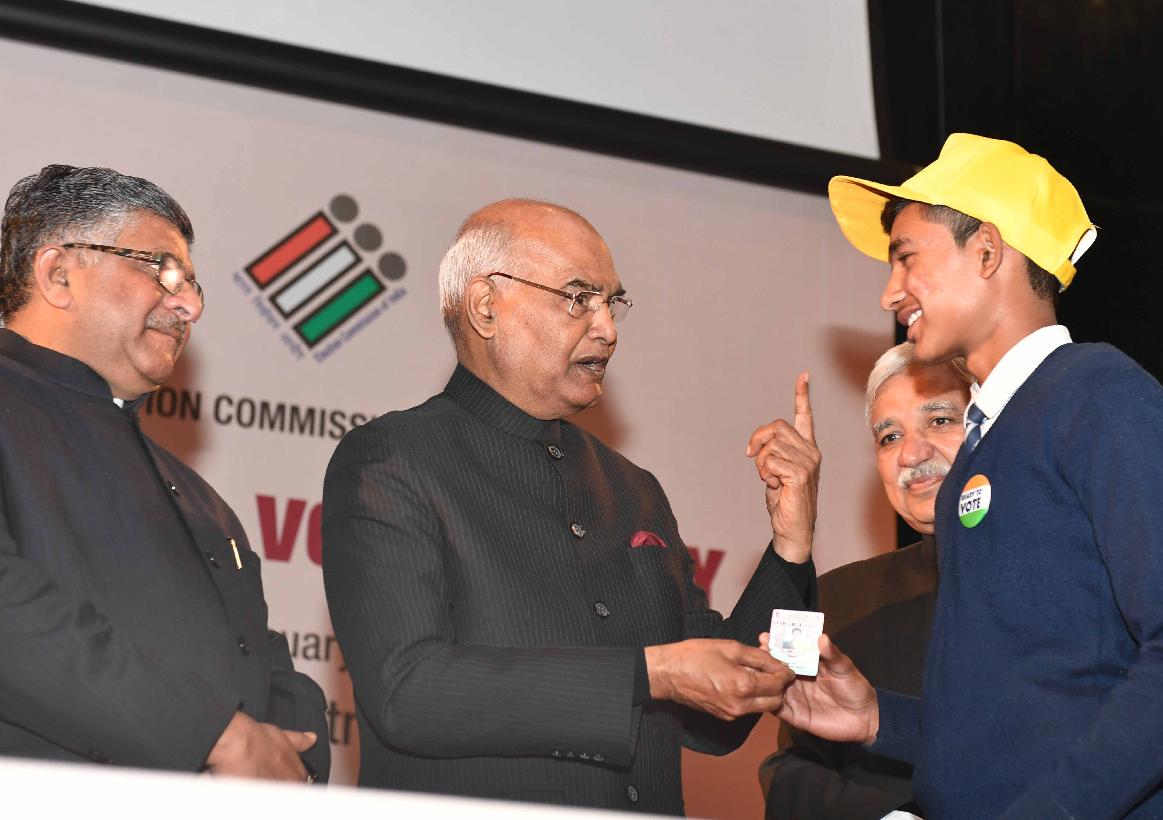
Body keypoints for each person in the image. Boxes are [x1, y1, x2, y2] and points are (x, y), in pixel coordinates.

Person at [772, 133, 1163, 818]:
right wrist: (879, 719)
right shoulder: (983, 449)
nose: (889, 293)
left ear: (987, 250)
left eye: (906, 258)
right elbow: (1023, 717)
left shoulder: (1099, 397)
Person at [321, 198, 818, 813]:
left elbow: (726, 718)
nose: (608, 328)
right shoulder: (393, 459)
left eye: (613, 302)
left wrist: (792, 550)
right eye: (578, 298)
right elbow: (407, 693)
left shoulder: (633, 489)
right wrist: (647, 675)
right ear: (485, 307)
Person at [0, 164, 329, 782]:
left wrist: (297, 758)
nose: (190, 305)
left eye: (193, 285)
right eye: (161, 270)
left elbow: (262, 658)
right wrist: (211, 735)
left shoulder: (201, 499)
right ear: (58, 274)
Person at [761, 342, 969, 820]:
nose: (911, 453)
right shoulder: (835, 598)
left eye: (940, 420)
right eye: (889, 437)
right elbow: (790, 770)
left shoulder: (1070, 578)